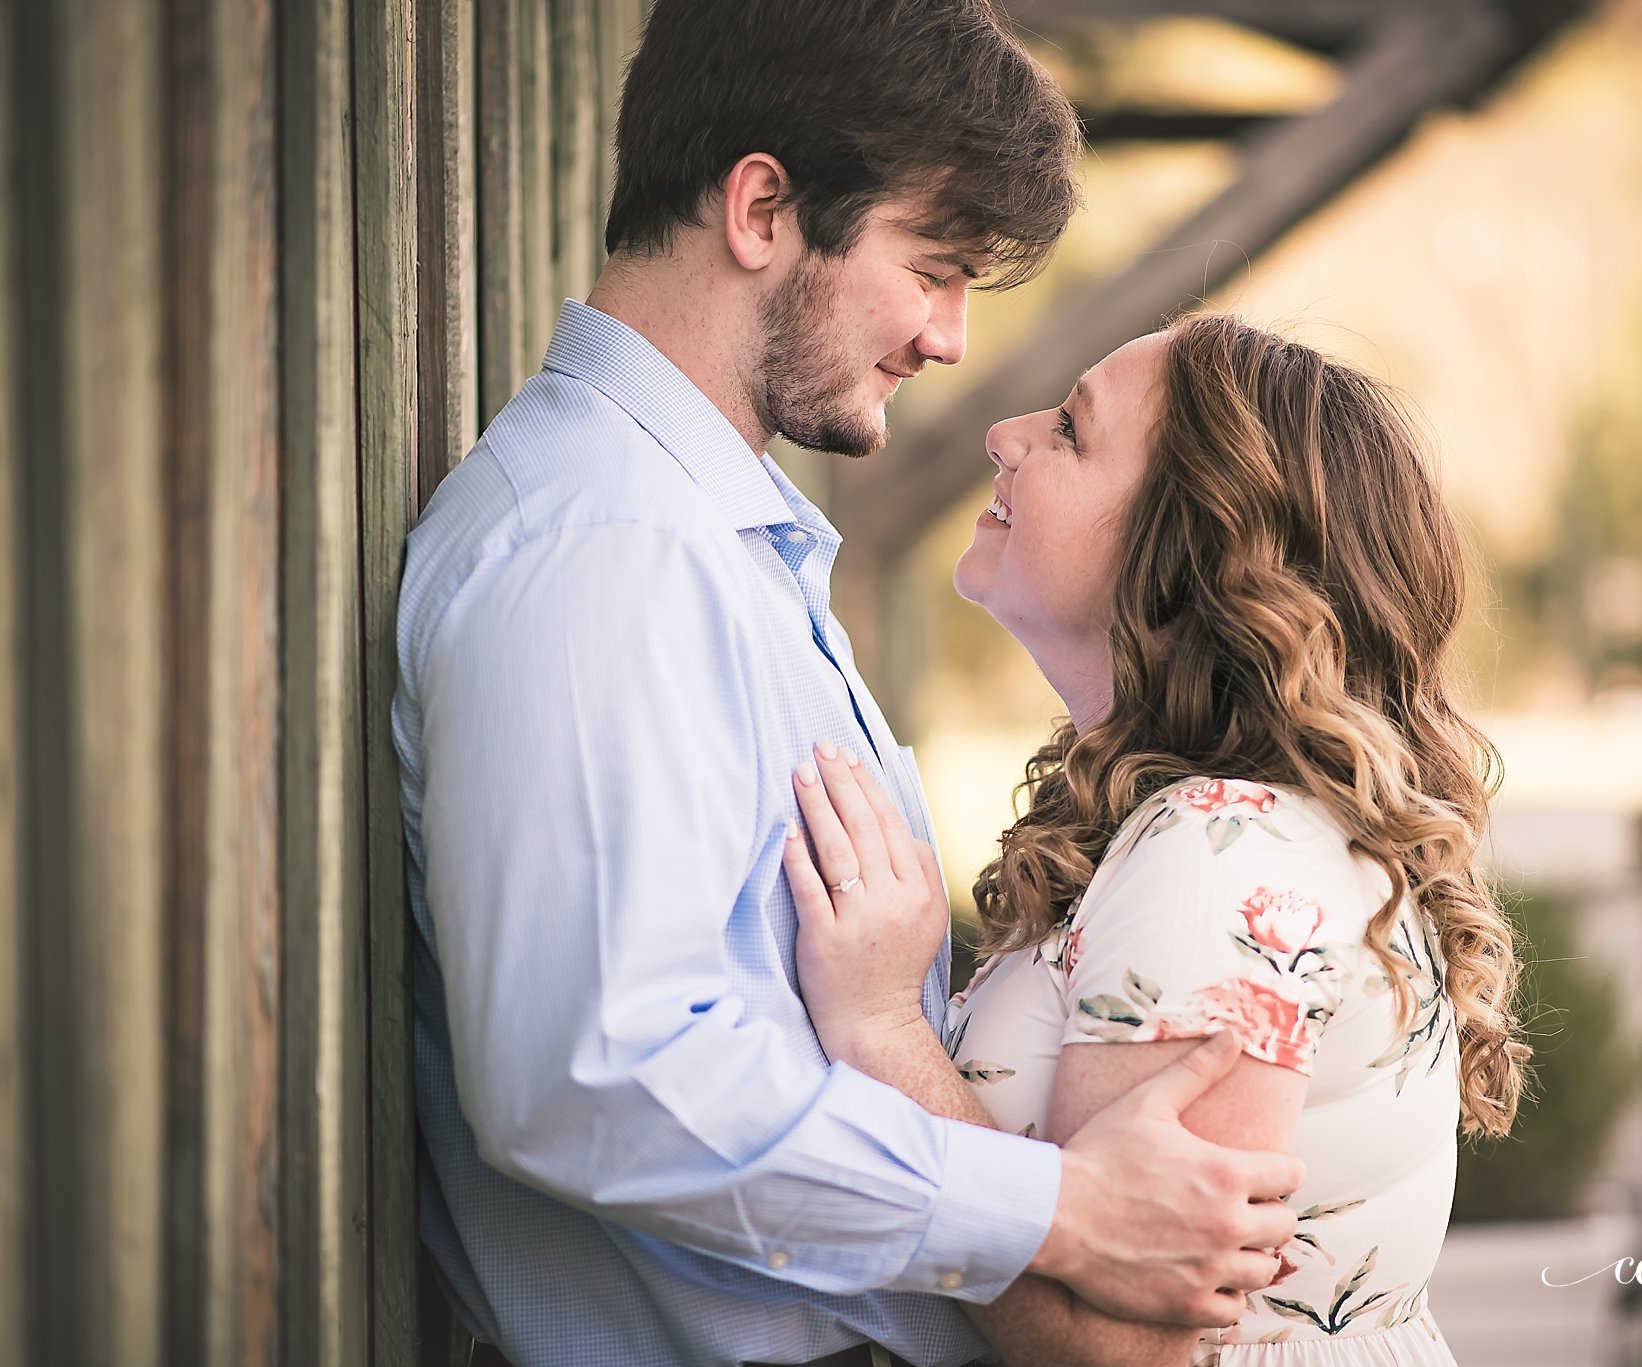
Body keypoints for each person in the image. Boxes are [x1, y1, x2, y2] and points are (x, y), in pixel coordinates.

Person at [392, 4, 1303, 1366]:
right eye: (932, 267)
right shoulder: (603, 547)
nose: (948, 336)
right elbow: (598, 1070)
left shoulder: (712, 536)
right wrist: (1052, 1207)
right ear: (762, 208)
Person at [783, 315, 1533, 1367]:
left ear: (1187, 560)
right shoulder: (1217, 824)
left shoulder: (1226, 851)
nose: (1003, 433)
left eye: (1070, 430)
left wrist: (878, 1029)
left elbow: (1116, 1348)